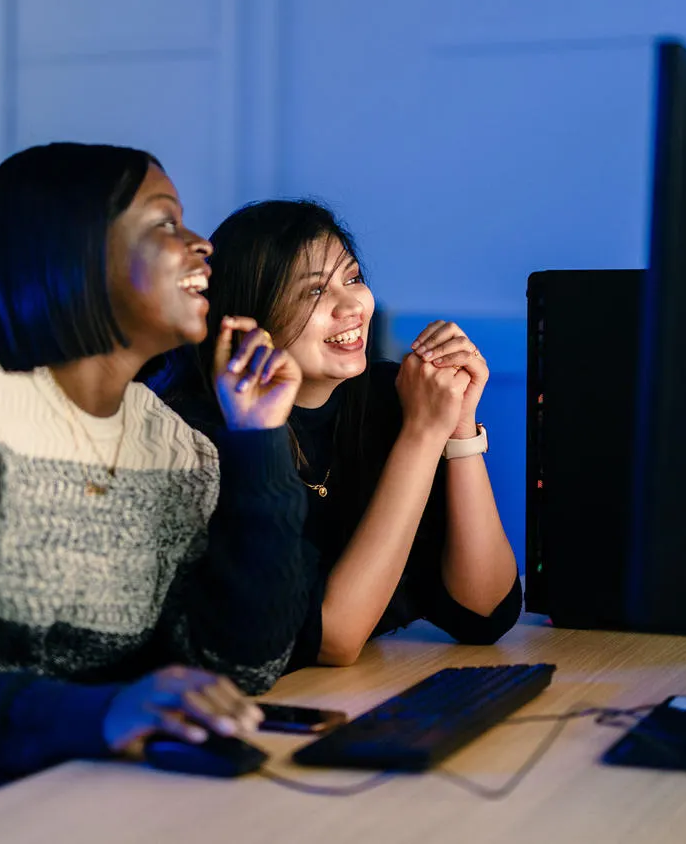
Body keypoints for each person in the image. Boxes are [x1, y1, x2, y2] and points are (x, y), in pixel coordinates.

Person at [0, 145, 316, 776]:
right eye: (166, 223)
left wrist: (257, 441)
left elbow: (244, 667)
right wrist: (97, 715)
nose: (202, 244)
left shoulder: (176, 447)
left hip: (80, 776)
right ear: (78, 253)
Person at [158, 199, 521, 669]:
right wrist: (422, 436)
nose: (351, 306)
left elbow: (485, 613)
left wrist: (458, 429)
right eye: (312, 293)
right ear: (251, 316)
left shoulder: (394, 398)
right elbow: (331, 638)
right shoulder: (207, 436)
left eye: (351, 278)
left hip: (369, 698)